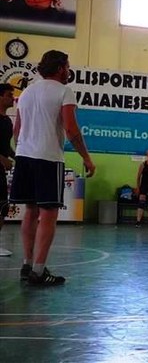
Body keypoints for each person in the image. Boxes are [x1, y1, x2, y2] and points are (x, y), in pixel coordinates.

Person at [10, 50, 95, 286]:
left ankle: (27, 265)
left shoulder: (27, 92)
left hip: (24, 156)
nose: (69, 71)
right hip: (48, 158)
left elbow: (17, 130)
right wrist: (86, 158)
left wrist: (24, 150)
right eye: (67, 67)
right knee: (48, 213)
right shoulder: (64, 91)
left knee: (30, 210)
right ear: (60, 68)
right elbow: (71, 130)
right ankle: (38, 271)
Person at [0, 84, 15, 257]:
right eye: (9, 95)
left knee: (3, 207)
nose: (12, 98)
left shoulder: (7, 121)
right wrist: (2, 159)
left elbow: (5, 146)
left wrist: (16, 156)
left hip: (1, 171)